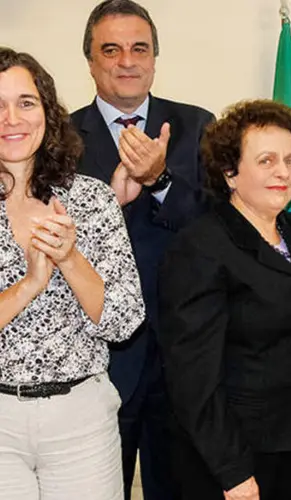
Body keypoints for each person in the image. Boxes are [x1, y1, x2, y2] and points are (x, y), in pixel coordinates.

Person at [69, 1, 214, 497]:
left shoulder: (197, 126)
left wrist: (161, 181)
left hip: (183, 354)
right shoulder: (59, 139)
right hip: (95, 360)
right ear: (90, 61)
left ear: (155, 58)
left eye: (139, 48)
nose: (126, 61)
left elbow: (220, 230)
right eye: (111, 50)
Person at [158, 99, 291, 500]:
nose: (283, 172)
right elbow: (192, 380)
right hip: (236, 458)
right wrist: (232, 471)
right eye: (266, 160)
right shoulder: (200, 247)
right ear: (230, 172)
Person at [0, 47, 144, 499]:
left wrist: (70, 259)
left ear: (47, 111)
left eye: (26, 102)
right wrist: (29, 285)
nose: (12, 118)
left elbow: (124, 322)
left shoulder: (91, 199)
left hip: (80, 418)